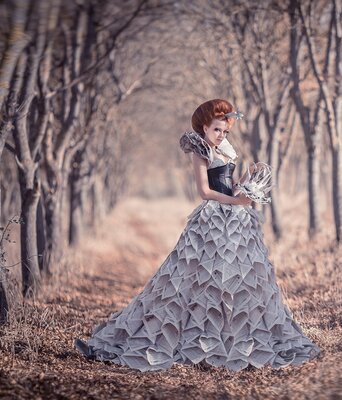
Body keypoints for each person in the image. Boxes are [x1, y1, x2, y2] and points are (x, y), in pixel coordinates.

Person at [74, 99, 320, 372]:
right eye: (217, 130)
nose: (221, 135)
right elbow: (204, 192)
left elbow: (231, 184)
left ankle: (234, 341)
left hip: (236, 221)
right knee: (195, 278)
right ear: (205, 127)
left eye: (225, 131)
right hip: (212, 218)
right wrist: (233, 202)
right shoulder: (199, 150)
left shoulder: (226, 150)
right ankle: (184, 339)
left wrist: (246, 188)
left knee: (240, 279)